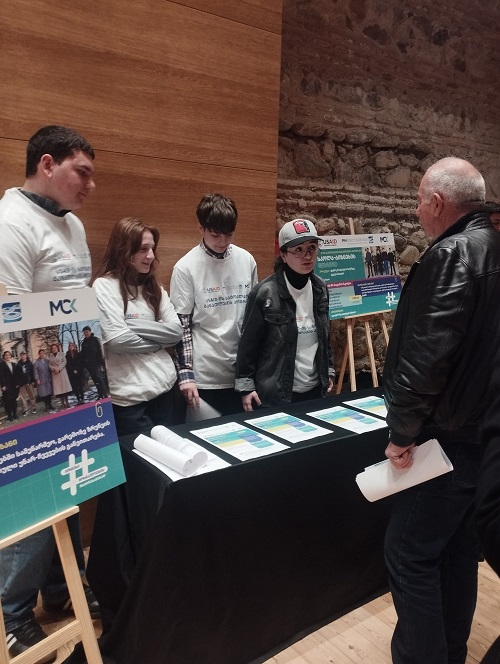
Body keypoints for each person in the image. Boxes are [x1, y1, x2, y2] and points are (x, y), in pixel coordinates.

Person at [382, 156, 500, 664]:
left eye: (418, 201)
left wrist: (402, 431)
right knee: (456, 552)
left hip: (444, 439)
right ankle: (450, 652)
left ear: (436, 202)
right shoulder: (493, 244)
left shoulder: (452, 254)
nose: (416, 211)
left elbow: (427, 356)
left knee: (407, 555)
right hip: (483, 436)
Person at [0, 125, 99, 659]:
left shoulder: (74, 225)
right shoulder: (11, 222)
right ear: (46, 164)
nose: (90, 185)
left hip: (73, 376)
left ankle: (62, 589)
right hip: (34, 384)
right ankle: (14, 615)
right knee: (33, 502)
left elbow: (78, 302)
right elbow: (11, 319)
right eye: (81, 172)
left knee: (72, 487)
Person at [93, 217, 183, 435]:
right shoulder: (104, 286)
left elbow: (175, 333)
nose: (150, 256)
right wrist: (159, 341)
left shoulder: (155, 287)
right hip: (129, 402)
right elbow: (118, 340)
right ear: (124, 250)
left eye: (152, 248)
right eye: (143, 249)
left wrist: (131, 325)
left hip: (166, 391)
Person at [170, 193, 258, 416]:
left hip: (241, 372)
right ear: (201, 228)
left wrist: (250, 372)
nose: (222, 242)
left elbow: (253, 319)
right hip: (205, 375)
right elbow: (182, 325)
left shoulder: (246, 260)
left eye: (229, 234)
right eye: (215, 234)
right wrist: (186, 374)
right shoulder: (186, 267)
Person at [235, 218, 335, 411]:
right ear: (283, 255)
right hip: (277, 394)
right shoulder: (264, 293)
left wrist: (328, 369)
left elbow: (325, 338)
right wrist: (246, 386)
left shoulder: (320, 288)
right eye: (298, 249)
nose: (307, 256)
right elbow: (248, 345)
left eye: (312, 248)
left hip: (315, 390)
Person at [79, 326, 108, 400]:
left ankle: (105, 394)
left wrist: (101, 361)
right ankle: (100, 395)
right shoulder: (83, 343)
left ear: (90, 331)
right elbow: (83, 355)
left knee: (99, 378)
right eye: (84, 332)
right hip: (89, 365)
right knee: (95, 380)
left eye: (87, 332)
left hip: (97, 363)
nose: (86, 333)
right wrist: (84, 364)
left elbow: (100, 350)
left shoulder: (95, 340)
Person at [48, 343, 72, 409]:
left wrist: (59, 368)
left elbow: (64, 362)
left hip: (62, 372)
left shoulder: (61, 354)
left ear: (57, 348)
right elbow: (49, 365)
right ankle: (62, 403)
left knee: (64, 389)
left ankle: (67, 402)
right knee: (59, 390)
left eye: (55, 348)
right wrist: (54, 369)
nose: (54, 349)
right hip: (55, 374)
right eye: (52, 348)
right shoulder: (50, 356)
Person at [14, 351, 37, 415]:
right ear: (20, 356)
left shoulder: (29, 363)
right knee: (22, 397)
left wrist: (33, 381)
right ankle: (25, 409)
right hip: (22, 384)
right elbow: (16, 375)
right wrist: (18, 383)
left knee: (32, 395)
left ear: (26, 356)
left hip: (29, 382)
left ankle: (34, 408)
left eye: (24, 355)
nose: (23, 356)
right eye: (22, 355)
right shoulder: (18, 365)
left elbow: (32, 372)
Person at [33, 349, 54, 413]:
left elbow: (50, 369)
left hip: (48, 379)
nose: (42, 354)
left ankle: (50, 405)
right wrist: (37, 379)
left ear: (44, 354)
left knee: (49, 393)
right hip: (41, 380)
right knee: (44, 394)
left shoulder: (47, 361)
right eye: (40, 353)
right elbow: (35, 372)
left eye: (43, 353)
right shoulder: (36, 362)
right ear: (39, 354)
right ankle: (46, 406)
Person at [0, 351, 19, 422]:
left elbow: (16, 374)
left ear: (10, 356)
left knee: (14, 400)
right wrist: (3, 385)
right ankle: (10, 416)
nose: (7, 356)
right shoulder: (2, 365)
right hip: (6, 386)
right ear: (4, 357)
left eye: (8, 355)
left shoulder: (13, 364)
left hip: (13, 385)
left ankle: (14, 414)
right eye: (6, 355)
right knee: (7, 401)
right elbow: (1, 375)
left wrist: (17, 383)